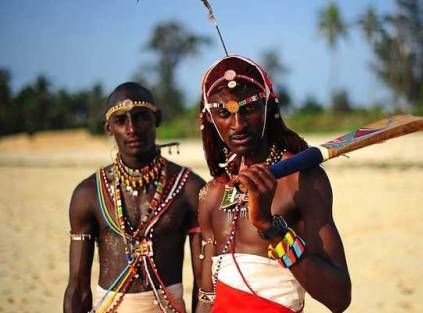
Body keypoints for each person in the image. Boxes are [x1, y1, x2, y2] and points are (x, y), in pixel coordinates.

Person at [195, 55, 351, 313]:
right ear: (209, 118)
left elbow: (338, 298)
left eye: (249, 109)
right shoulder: (212, 193)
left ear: (269, 107)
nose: (238, 124)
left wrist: (270, 227)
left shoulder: (302, 181)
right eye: (224, 112)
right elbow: (206, 299)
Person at [63, 82, 205, 313]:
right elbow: (77, 288)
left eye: (141, 118)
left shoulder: (188, 188)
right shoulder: (89, 193)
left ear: (156, 119)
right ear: (108, 127)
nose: (132, 129)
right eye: (121, 121)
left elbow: (205, 286)